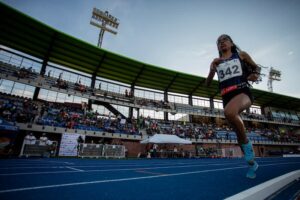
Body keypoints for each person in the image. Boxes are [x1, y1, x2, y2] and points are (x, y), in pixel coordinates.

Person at [205, 34, 259, 179]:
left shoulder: (241, 55)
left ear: (231, 43)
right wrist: (211, 69)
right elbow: (207, 84)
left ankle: (248, 148)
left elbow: (256, 68)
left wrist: (254, 74)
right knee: (238, 137)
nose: (221, 43)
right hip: (226, 96)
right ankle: (252, 163)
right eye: (219, 42)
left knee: (229, 112)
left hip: (243, 92)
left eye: (224, 40)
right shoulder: (217, 62)